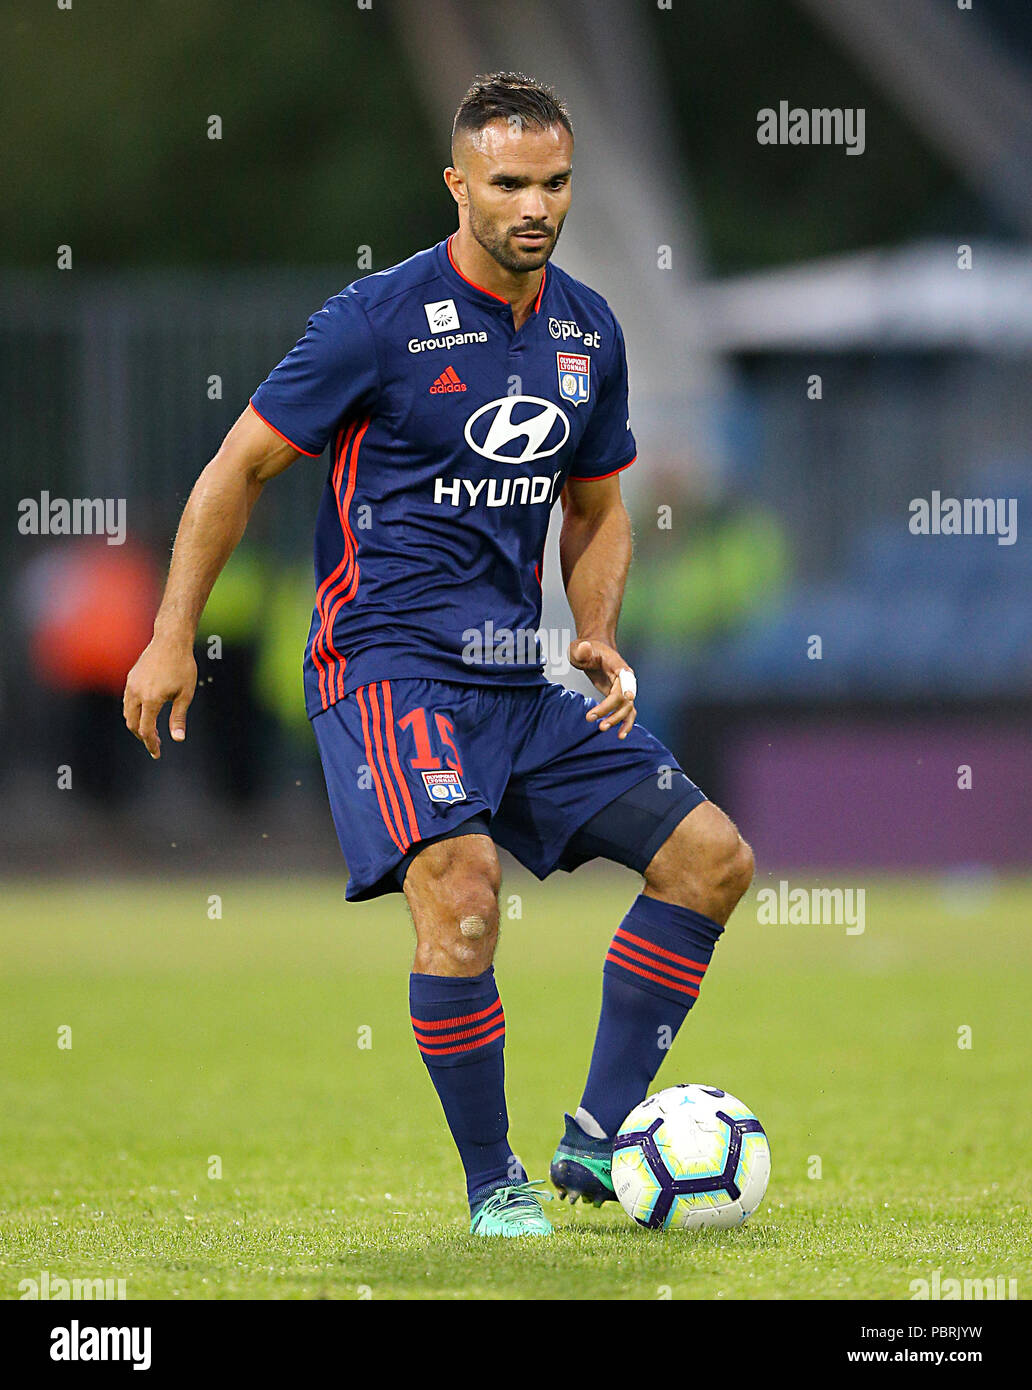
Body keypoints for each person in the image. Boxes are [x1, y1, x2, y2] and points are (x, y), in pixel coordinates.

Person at [123, 72, 754, 1238]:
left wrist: (598, 633)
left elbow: (600, 507)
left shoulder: (586, 330)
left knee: (711, 860)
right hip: (388, 663)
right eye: (509, 182)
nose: (536, 205)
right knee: (464, 901)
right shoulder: (374, 320)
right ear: (457, 183)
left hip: (523, 674)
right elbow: (234, 472)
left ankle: (598, 1137)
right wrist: (170, 636)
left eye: (555, 182)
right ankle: (493, 1183)